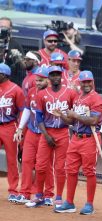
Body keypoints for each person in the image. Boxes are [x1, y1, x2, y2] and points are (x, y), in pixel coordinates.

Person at [53, 70, 102, 215]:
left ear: (93, 82)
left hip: (90, 138)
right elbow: (71, 120)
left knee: (89, 172)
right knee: (70, 170)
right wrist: (62, 115)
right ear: (80, 83)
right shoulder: (77, 98)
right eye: (84, 82)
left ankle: (89, 204)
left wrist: (75, 114)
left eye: (89, 81)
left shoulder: (96, 99)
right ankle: (69, 202)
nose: (87, 84)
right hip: (75, 137)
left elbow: (93, 121)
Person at [25, 65, 76, 208]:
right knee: (40, 166)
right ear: (48, 77)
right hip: (46, 132)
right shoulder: (42, 94)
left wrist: (65, 119)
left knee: (60, 167)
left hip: (63, 132)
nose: (55, 77)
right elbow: (39, 117)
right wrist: (46, 135)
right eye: (52, 75)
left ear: (61, 76)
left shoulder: (70, 93)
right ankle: (39, 195)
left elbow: (73, 116)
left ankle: (58, 197)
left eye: (57, 74)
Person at [13, 66, 54, 204]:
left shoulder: (52, 93)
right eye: (37, 80)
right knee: (26, 161)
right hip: (31, 131)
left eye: (41, 80)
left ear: (48, 80)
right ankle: (25, 193)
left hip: (46, 133)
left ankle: (48, 194)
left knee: (45, 164)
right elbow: (27, 109)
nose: (38, 83)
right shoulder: (31, 91)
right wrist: (20, 128)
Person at [0, 63, 24, 202]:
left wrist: (20, 128)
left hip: (10, 126)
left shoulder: (16, 89)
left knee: (12, 160)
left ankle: (13, 190)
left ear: (3, 75)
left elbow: (22, 110)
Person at [0, 17, 25, 84]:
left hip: (9, 81)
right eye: (1, 27)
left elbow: (22, 66)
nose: (2, 30)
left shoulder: (15, 45)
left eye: (5, 28)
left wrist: (17, 58)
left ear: (10, 29)